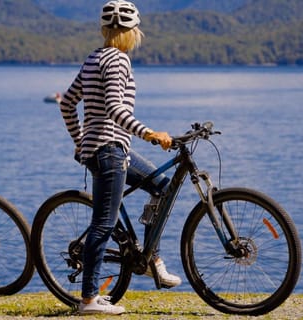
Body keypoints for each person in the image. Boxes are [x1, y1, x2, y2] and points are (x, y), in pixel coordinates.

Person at [57, 0, 179, 315]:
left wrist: (79, 141)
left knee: (161, 186)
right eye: (135, 30)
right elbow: (116, 109)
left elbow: (67, 103)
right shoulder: (118, 61)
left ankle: (152, 258)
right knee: (103, 225)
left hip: (106, 148)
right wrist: (150, 133)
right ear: (130, 32)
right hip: (110, 150)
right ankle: (88, 300)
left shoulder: (93, 57)